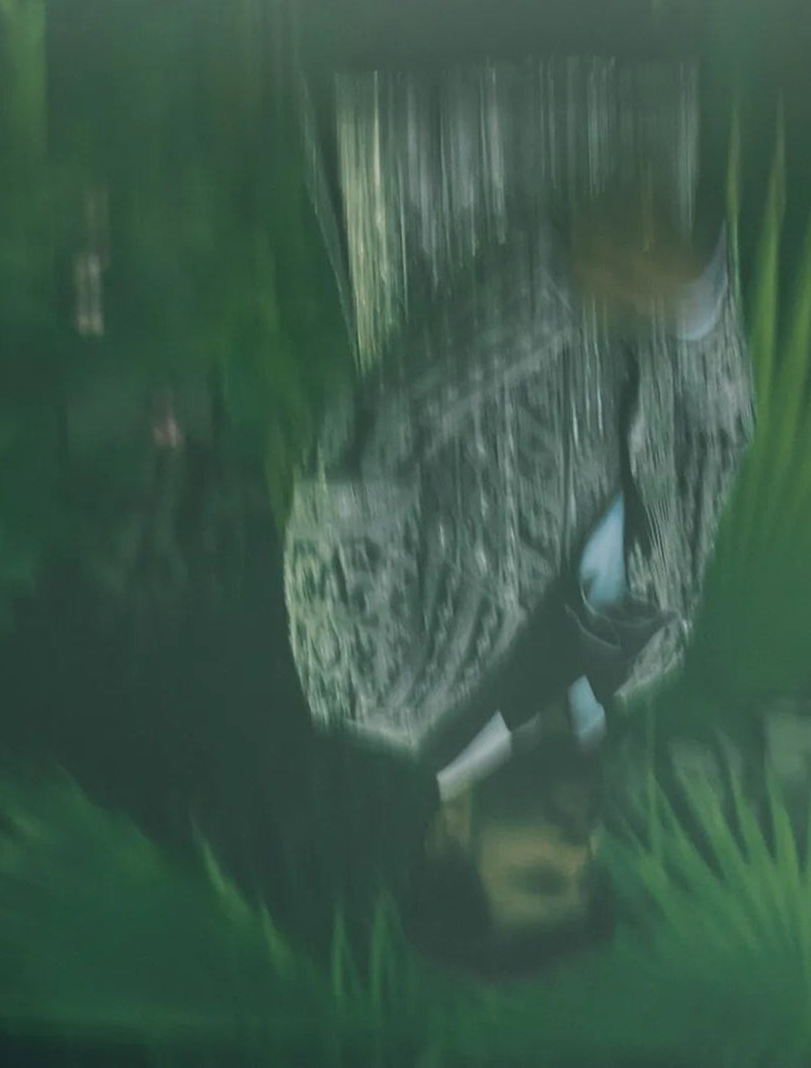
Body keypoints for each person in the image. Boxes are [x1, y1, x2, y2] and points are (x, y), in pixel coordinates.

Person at [279, 59, 754, 975]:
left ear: (446, 844)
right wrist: (697, 305)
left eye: (541, 877)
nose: (579, 852)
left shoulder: (365, 682)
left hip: (440, 107)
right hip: (640, 98)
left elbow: (357, 451)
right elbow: (716, 439)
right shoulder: (652, 651)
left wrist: (556, 284)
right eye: (585, 876)